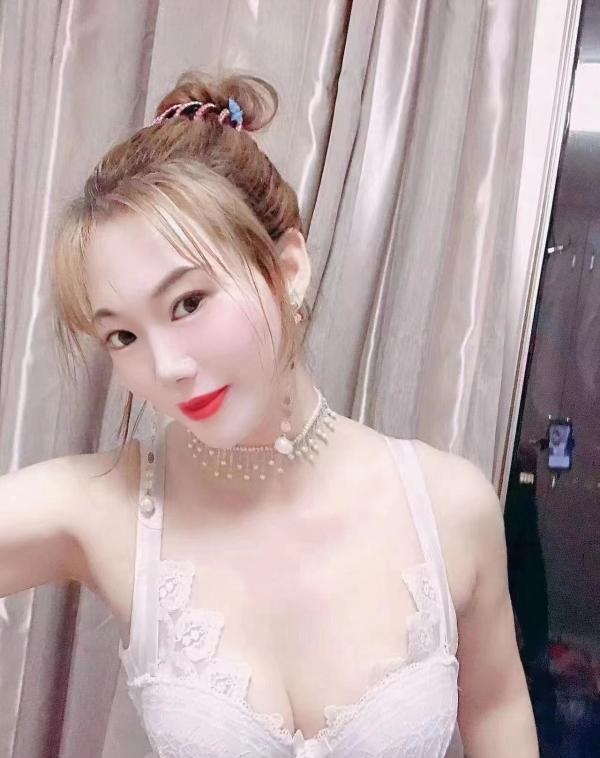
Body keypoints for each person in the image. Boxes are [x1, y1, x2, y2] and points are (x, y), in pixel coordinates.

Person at [0, 71, 539, 758]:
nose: (167, 367)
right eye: (123, 336)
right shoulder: (102, 509)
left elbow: (497, 713)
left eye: (188, 303)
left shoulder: (449, 505)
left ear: (288, 269)